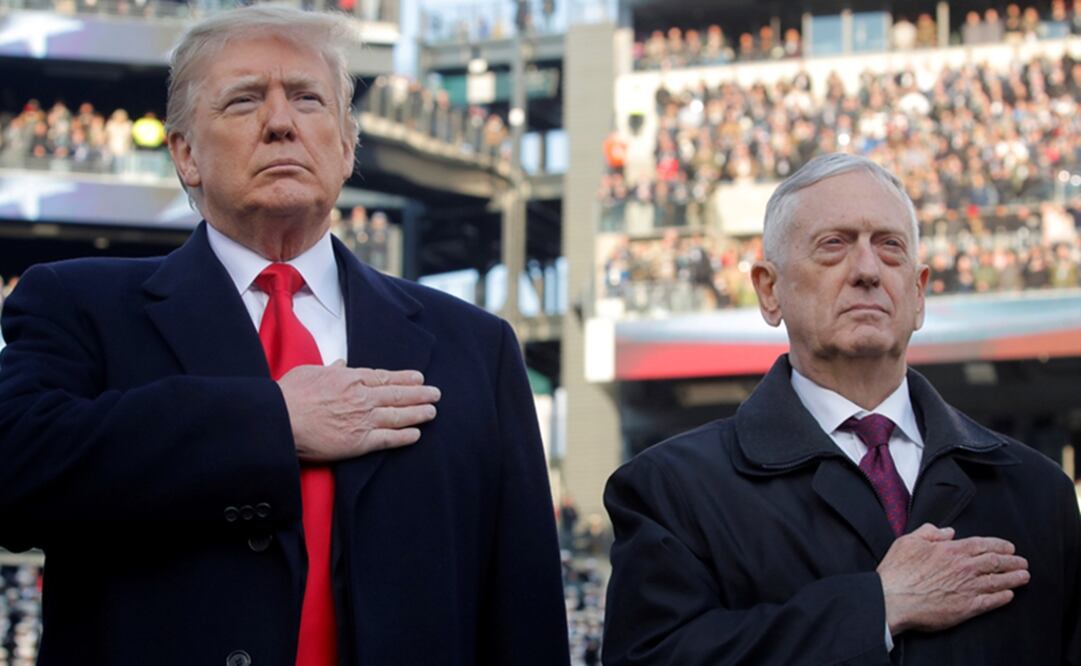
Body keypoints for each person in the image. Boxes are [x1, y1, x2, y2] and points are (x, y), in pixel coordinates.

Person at [0, 7, 568, 666]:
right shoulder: (80, 305)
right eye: (243, 101)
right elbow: (15, 475)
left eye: (307, 98)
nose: (279, 122)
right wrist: (272, 422)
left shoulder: (475, 347)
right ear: (185, 154)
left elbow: (522, 613)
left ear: (347, 145)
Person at [603, 153, 1081, 665]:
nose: (868, 271)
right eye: (834, 245)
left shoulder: (1035, 491)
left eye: (890, 247)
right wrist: (875, 608)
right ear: (769, 290)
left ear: (918, 294)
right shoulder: (672, 491)